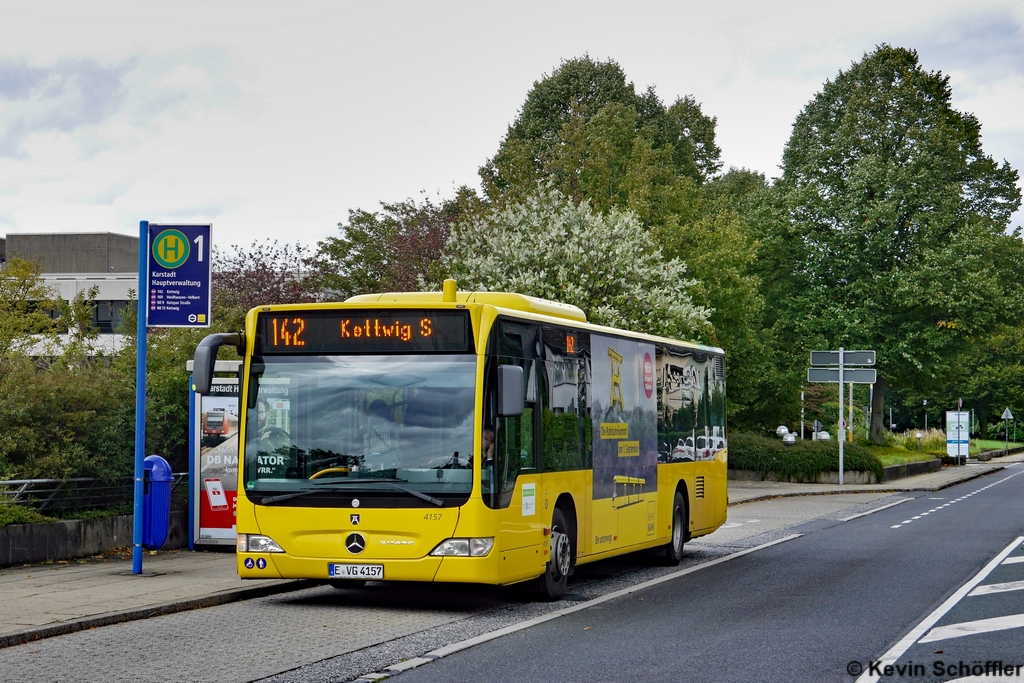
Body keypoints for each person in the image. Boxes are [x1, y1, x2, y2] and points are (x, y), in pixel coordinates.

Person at [364, 399, 400, 468]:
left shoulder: (365, 432)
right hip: (392, 468)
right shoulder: (393, 429)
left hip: (373, 471)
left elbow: (364, 457)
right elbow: (397, 450)